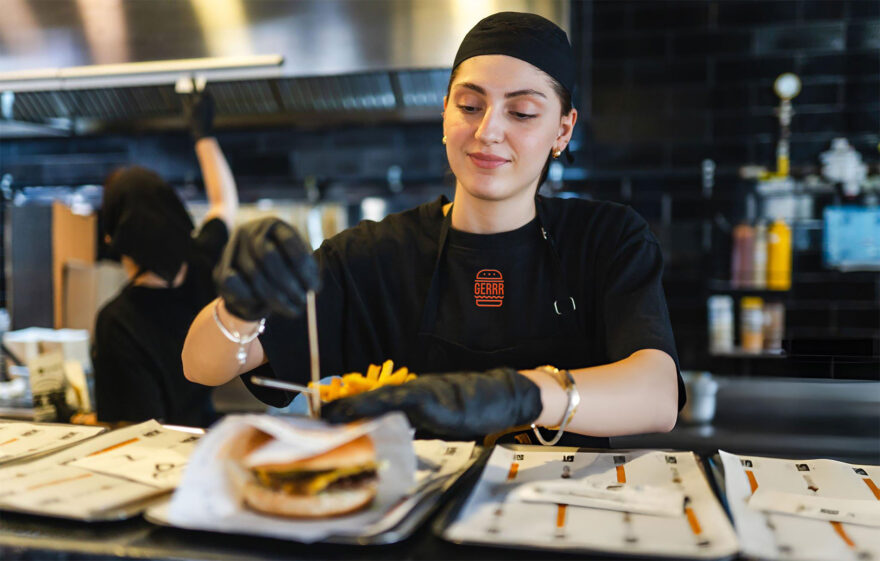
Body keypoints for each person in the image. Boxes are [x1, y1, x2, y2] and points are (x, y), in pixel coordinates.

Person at [182, 12, 684, 445]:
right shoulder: (371, 256)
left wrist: (517, 396)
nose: (488, 131)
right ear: (444, 113)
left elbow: (657, 396)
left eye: (523, 112)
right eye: (469, 106)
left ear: (563, 130)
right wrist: (240, 307)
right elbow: (202, 366)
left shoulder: (607, 239)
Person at [93, 92, 238, 428]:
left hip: (161, 465)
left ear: (116, 238)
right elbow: (224, 204)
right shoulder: (201, 264)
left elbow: (131, 431)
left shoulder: (117, 322)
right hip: (206, 443)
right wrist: (203, 134)